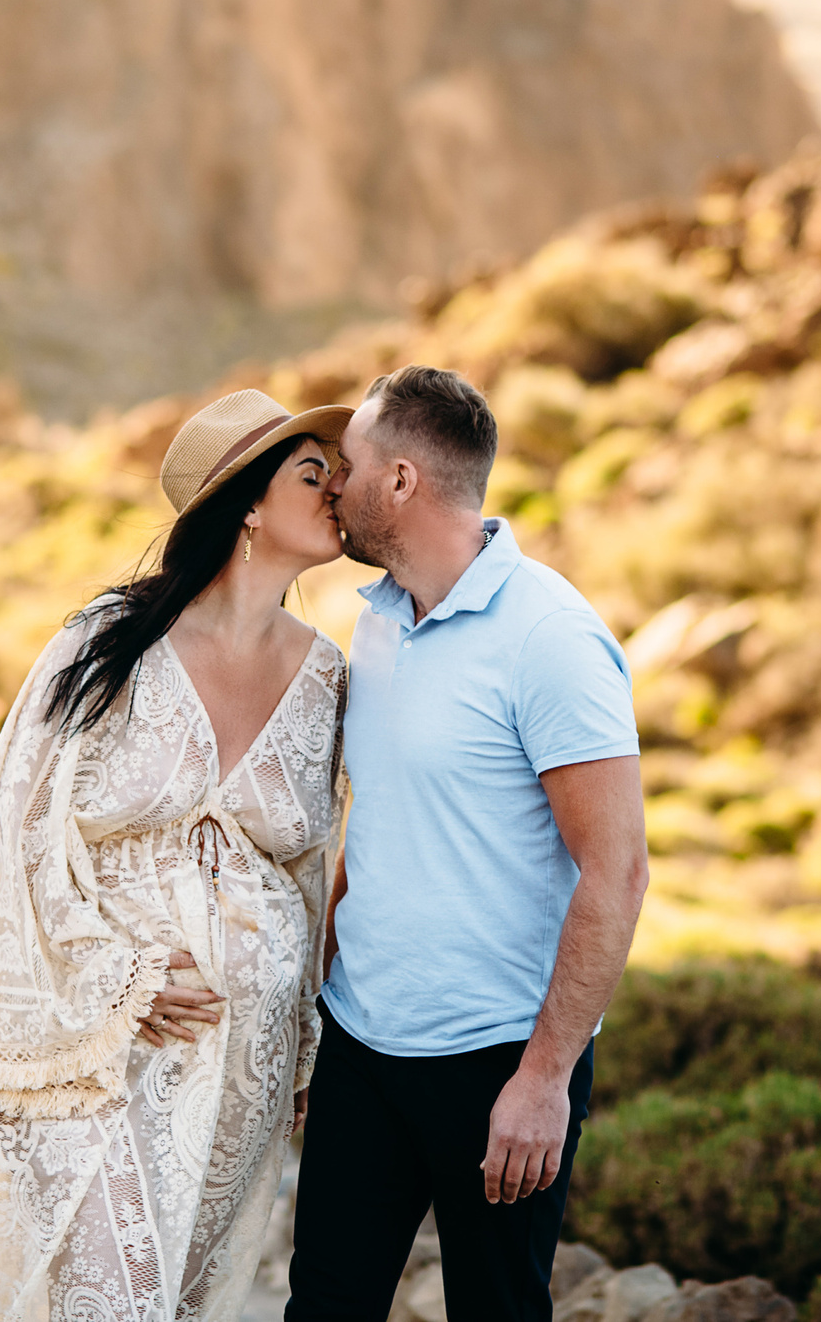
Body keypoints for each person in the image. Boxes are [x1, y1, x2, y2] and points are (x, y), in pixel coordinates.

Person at [0, 389, 356, 1322]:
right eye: (311, 471)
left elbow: (309, 868)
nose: (338, 488)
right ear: (245, 501)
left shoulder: (329, 672)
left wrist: (301, 1049)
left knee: (178, 1301)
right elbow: (19, 837)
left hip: (241, 1071)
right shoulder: (107, 644)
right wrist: (119, 976)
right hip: (99, 1046)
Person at [287, 366, 648, 1322]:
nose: (333, 486)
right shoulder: (374, 621)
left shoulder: (552, 638)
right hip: (362, 1045)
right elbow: (377, 824)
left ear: (401, 481)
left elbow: (617, 874)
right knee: (323, 1306)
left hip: (498, 1064)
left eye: (349, 465)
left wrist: (544, 1079)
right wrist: (322, 1005)